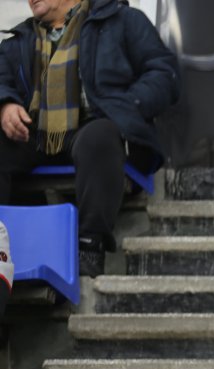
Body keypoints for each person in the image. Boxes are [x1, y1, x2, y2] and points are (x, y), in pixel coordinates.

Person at [0, 0, 179, 278]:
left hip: (94, 125)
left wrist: (126, 107)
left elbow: (164, 73)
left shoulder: (122, 20)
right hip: (36, 133)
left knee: (99, 136)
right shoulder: (19, 39)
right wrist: (6, 105)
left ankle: (90, 246)